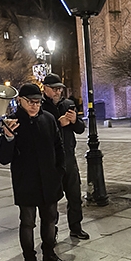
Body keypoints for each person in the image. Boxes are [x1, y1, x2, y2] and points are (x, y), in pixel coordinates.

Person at [0, 83, 69, 261]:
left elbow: (58, 146)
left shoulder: (49, 119)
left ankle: (49, 254)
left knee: (50, 221)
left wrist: (59, 171)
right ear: (20, 100)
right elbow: (3, 158)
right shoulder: (11, 122)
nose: (35, 105)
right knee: (28, 223)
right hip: (26, 182)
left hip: (49, 181)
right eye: (30, 102)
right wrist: (8, 137)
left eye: (38, 102)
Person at [40, 73, 89, 240]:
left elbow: (80, 129)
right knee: (51, 200)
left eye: (59, 89)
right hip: (50, 161)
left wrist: (75, 120)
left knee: (74, 195)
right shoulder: (40, 108)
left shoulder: (68, 104)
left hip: (69, 157)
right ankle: (51, 232)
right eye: (54, 89)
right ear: (45, 88)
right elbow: (41, 134)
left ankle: (76, 227)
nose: (57, 92)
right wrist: (58, 124)